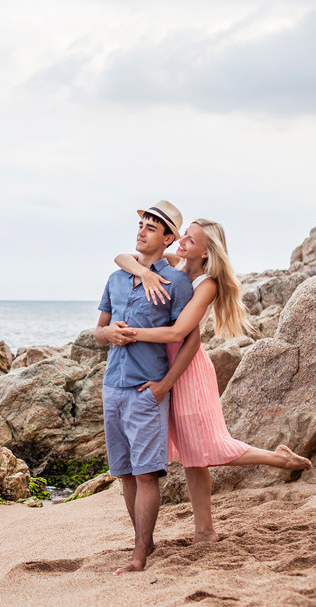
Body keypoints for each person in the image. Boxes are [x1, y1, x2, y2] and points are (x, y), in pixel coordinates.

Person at [111, 218, 312, 544]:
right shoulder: (175, 265)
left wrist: (129, 335)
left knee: (208, 446)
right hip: (162, 365)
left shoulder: (206, 284)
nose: (182, 242)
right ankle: (205, 530)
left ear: (206, 252)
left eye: (190, 240)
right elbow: (121, 258)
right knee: (193, 453)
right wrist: (145, 273)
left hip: (188, 372)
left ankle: (278, 458)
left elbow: (179, 334)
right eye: (184, 236)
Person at [95, 200, 194, 575]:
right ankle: (144, 540)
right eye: (141, 224)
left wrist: (165, 386)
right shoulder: (117, 278)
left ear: (168, 238)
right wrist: (108, 333)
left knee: (145, 472)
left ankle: (139, 557)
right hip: (112, 386)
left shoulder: (178, 283)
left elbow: (190, 340)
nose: (142, 230)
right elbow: (98, 330)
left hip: (145, 389)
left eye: (152, 227)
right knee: (124, 472)